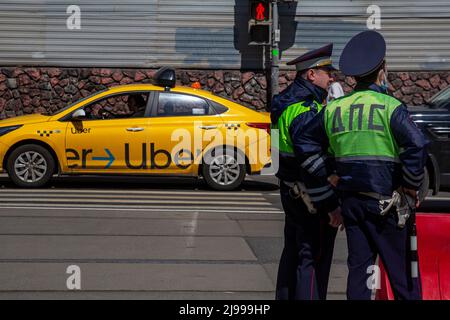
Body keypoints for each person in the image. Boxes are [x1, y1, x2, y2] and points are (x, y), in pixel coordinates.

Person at [292, 30, 427, 300]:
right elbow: (417, 145)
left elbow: (304, 142)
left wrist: (327, 175)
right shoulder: (390, 106)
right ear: (382, 71)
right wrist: (411, 187)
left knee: (360, 272)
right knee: (403, 277)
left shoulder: (334, 108)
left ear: (353, 76)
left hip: (352, 204)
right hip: (385, 203)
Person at [271, 43, 343, 300]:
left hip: (290, 190)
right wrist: (329, 202)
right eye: (327, 71)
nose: (332, 77)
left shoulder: (283, 104)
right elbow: (311, 160)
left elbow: (277, 157)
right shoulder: (305, 110)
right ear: (311, 74)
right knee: (313, 259)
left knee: (292, 253)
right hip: (309, 196)